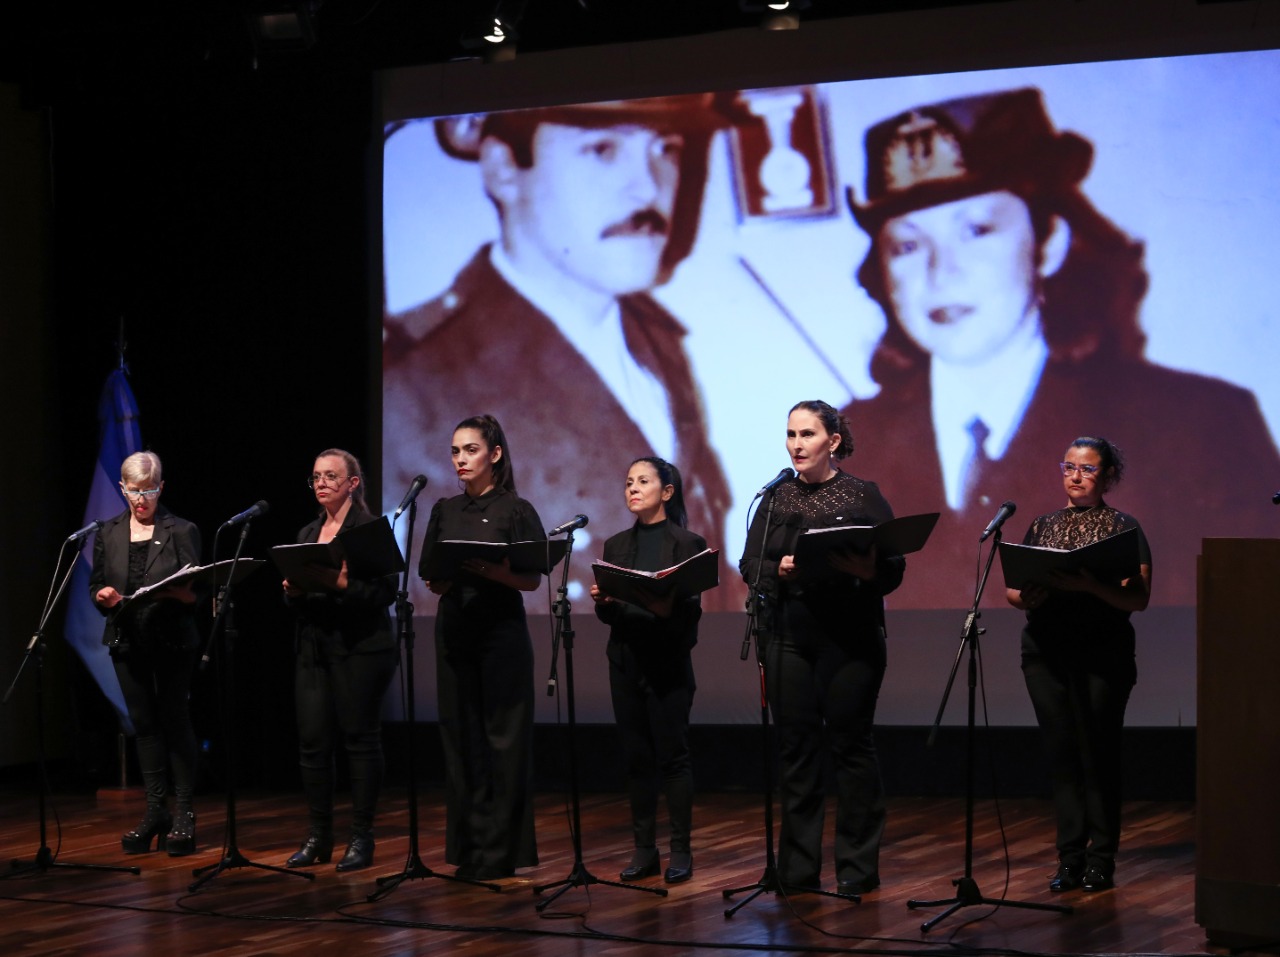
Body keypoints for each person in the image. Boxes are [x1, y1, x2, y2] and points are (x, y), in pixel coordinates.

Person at [842, 87, 1280, 608]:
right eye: (909, 246)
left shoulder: (1200, 424)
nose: (940, 273)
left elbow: (1245, 625)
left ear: (1047, 244)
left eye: (977, 231)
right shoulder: (854, 441)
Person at [383, 95, 738, 612]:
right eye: (602, 149)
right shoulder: (421, 383)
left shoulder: (656, 344)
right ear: (504, 170)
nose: (650, 186)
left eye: (667, 149)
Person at [739, 400, 904, 895]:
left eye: (807, 434)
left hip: (849, 639)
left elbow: (893, 568)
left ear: (833, 441)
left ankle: (857, 867)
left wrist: (866, 570)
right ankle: (798, 868)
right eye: (791, 434)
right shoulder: (775, 498)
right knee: (797, 752)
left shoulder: (861, 495)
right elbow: (750, 565)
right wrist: (778, 572)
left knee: (851, 748)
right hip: (788, 636)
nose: (796, 445)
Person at [1006, 436, 1151, 893]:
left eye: (1087, 469)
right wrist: (1025, 595)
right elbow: (1013, 590)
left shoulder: (1124, 528)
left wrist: (1088, 585)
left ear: (1107, 476)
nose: (1075, 476)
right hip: (1046, 652)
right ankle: (1069, 859)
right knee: (1062, 756)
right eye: (1068, 466)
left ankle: (1101, 859)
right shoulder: (1043, 524)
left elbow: (1138, 597)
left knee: (1099, 755)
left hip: (1102, 653)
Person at [419, 414, 546, 880]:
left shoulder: (516, 508)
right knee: (461, 738)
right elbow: (429, 575)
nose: (460, 459)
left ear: (494, 454)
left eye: (470, 450)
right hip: (455, 628)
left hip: (500, 632)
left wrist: (493, 572)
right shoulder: (442, 509)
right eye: (455, 451)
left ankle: (503, 853)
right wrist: (445, 575)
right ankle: (469, 849)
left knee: (504, 741)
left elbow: (531, 578)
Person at [591, 457, 705, 885]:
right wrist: (605, 604)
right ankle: (644, 850)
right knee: (637, 759)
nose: (633, 489)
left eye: (643, 481)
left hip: (669, 663)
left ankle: (680, 851)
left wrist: (659, 604)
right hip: (625, 661)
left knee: (673, 757)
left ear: (668, 491)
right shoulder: (616, 545)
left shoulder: (688, 543)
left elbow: (690, 614)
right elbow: (611, 618)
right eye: (628, 482)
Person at [282, 448, 397, 872]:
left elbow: (383, 592)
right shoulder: (308, 531)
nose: (321, 483)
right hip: (314, 647)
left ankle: (361, 838)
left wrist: (335, 582)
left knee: (360, 740)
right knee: (313, 743)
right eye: (315, 477)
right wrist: (294, 591)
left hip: (362, 647)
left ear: (353, 483)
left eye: (331, 476)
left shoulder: (369, 530)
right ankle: (318, 836)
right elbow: (299, 595)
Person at [89, 451, 203, 856]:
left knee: (174, 720)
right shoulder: (107, 532)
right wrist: (102, 596)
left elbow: (196, 590)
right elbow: (96, 585)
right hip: (127, 639)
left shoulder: (181, 529)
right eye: (135, 492)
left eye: (150, 490)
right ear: (123, 489)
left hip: (171, 638)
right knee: (144, 725)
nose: (142, 499)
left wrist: (179, 593)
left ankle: (185, 814)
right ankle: (156, 811)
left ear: (161, 488)